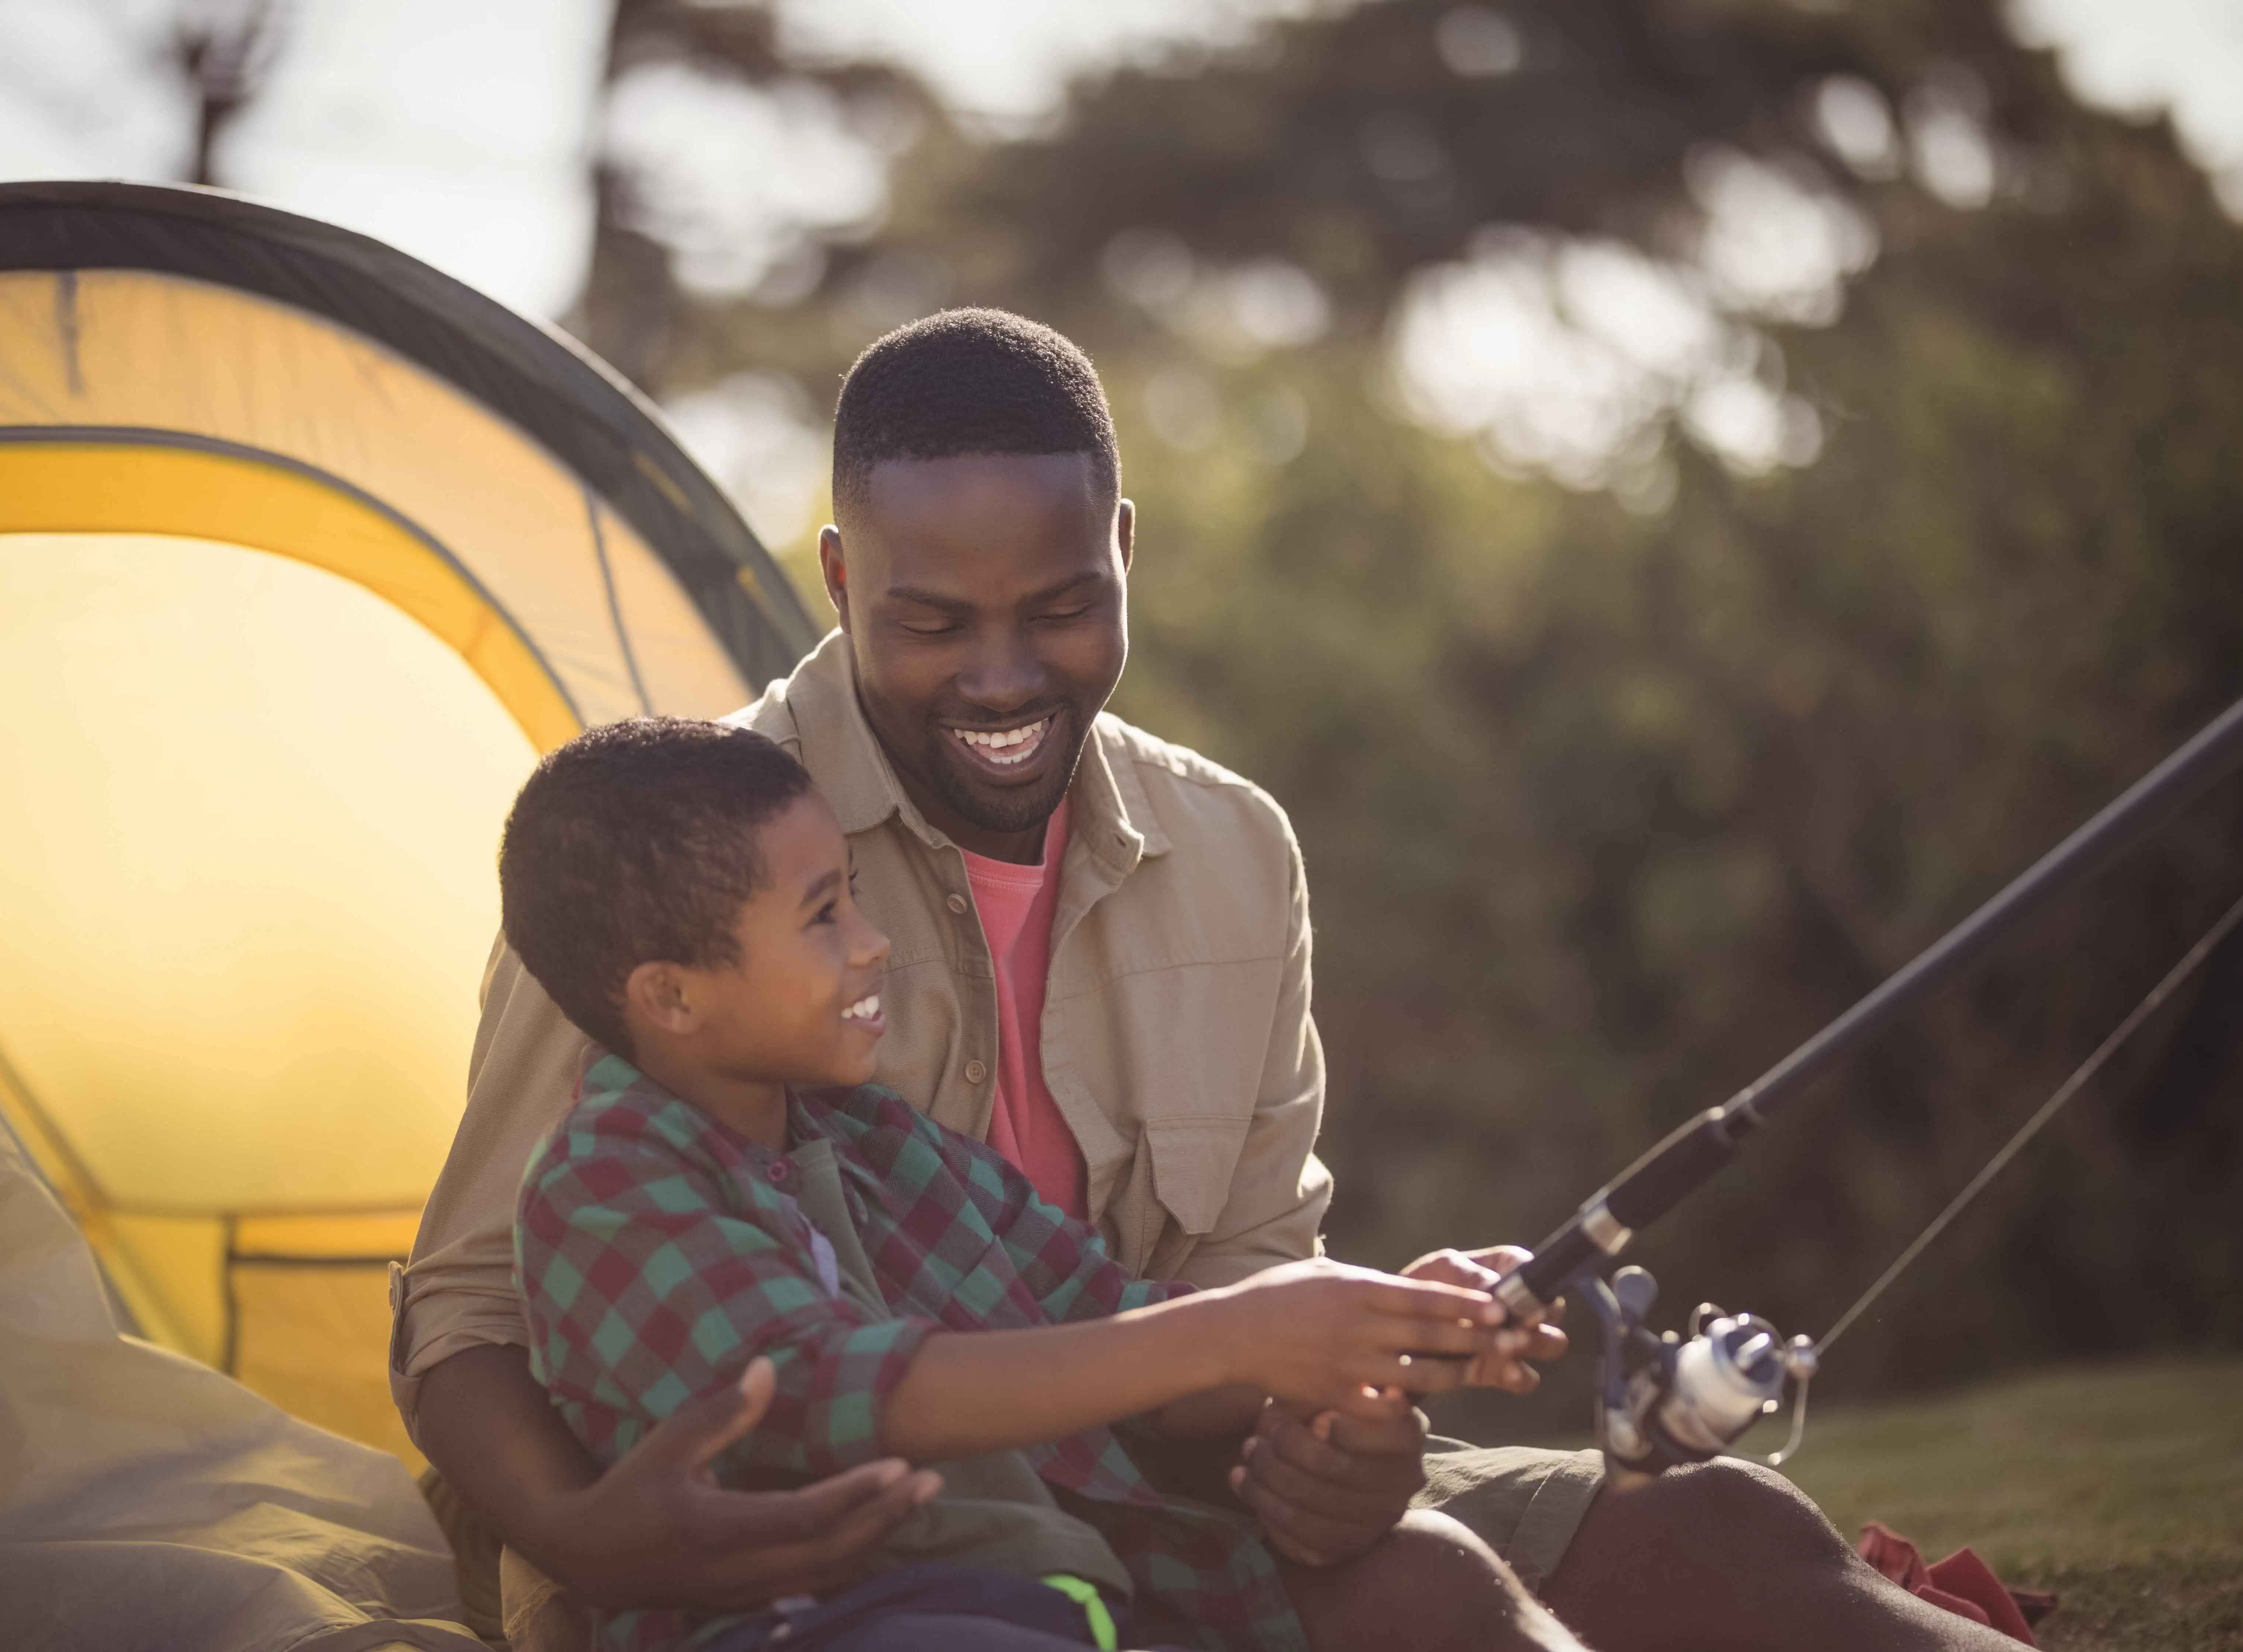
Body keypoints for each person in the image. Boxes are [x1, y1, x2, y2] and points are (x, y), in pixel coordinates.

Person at [393, 309, 2031, 1652]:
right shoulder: (685, 862)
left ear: (1124, 548)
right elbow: (466, 1312)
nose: (1004, 677)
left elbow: (1234, 1302)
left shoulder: (1233, 849)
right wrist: (582, 1530)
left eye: (1061, 606)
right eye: (933, 621)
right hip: (823, 1579)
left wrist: (1344, 1424)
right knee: (1427, 1598)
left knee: (1724, 1532)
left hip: (1158, 1503)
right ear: (836, 579)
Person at [496, 715, 1579, 1652]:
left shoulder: (883, 1146)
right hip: (838, 1627)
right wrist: (1242, 1334)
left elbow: (1119, 1329)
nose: (873, 946)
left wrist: (1387, 1322)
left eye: (857, 901)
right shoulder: (607, 1184)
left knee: (1445, 1586)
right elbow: (824, 1395)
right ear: (671, 999)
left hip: (1061, 1606)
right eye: (823, 915)